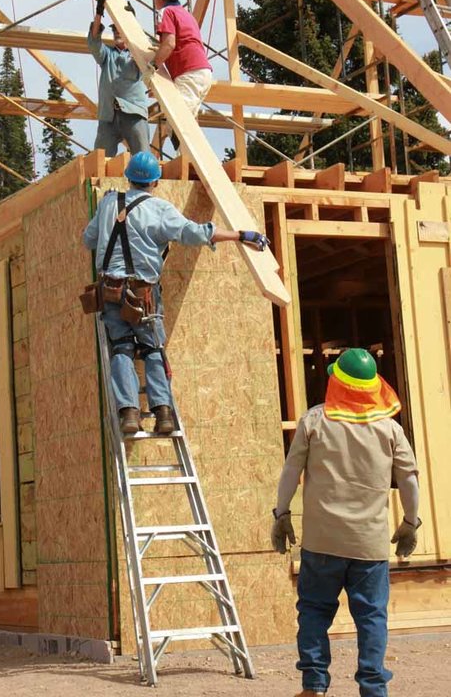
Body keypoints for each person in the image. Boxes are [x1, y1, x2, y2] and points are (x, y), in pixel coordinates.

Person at [82, 151, 269, 436]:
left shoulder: (109, 202)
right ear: (155, 182)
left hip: (111, 290)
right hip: (142, 292)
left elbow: (88, 239)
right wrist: (241, 235)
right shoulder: (159, 209)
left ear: (128, 178)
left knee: (121, 348)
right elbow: (195, 234)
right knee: (152, 349)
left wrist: (107, 210)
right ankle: (163, 415)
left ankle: (129, 413)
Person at [271, 348, 420, 697]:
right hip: (369, 545)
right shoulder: (389, 429)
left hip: (322, 543)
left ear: (336, 382)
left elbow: (291, 470)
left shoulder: (314, 421)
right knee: (371, 618)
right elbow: (410, 479)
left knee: (313, 611)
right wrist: (410, 522)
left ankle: (314, 686)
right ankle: (372, 688)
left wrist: (282, 514)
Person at [146, 0, 213, 150]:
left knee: (177, 125)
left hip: (189, 73)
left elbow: (169, 44)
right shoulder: (186, 14)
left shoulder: (166, 12)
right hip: (201, 73)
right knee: (189, 126)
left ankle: (188, 164)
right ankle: (191, 163)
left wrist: (152, 66)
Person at [88, 0, 149, 157]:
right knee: (100, 159)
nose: (116, 32)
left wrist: (132, 24)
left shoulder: (137, 55)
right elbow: (94, 42)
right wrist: (99, 13)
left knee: (142, 157)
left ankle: (146, 182)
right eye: (114, 29)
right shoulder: (108, 55)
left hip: (133, 113)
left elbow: (148, 57)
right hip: (109, 115)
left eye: (120, 29)